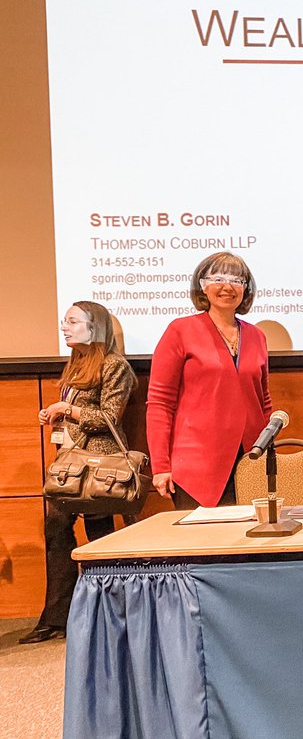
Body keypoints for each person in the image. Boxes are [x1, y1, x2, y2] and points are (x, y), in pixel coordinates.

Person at [20, 302, 136, 644]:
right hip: (69, 464)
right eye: (64, 321)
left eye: (72, 321)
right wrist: (55, 414)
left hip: (99, 466)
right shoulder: (76, 363)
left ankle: (108, 615)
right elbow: (79, 413)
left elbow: (109, 418)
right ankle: (58, 617)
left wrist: (68, 409)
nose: (64, 327)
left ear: (94, 326)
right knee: (56, 529)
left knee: (99, 534)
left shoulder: (115, 365)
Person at [147, 253, 272, 508]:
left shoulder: (257, 336)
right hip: (197, 466)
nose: (227, 286)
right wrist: (160, 466)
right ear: (202, 286)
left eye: (236, 280)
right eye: (218, 278)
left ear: (245, 288)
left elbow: (264, 401)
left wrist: (268, 451)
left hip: (250, 461)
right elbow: (160, 403)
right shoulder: (180, 330)